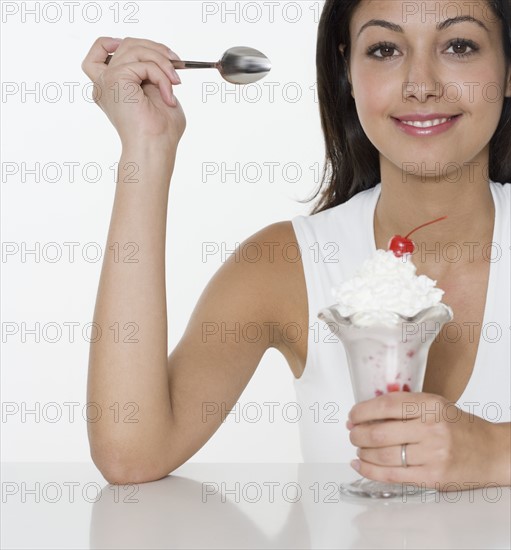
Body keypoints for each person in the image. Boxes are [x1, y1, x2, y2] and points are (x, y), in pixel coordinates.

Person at [81, 0, 511, 488]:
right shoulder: (285, 265)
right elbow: (130, 453)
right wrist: (146, 147)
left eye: (459, 46)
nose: (421, 84)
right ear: (347, 72)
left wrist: (495, 450)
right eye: (386, 49)